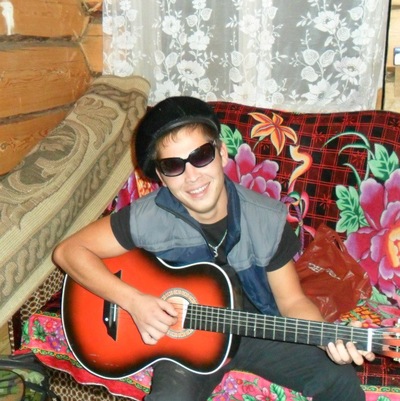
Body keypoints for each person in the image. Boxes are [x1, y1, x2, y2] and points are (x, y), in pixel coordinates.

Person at [53, 96, 375, 401]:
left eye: (201, 156)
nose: (192, 177)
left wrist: (325, 337)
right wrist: (133, 301)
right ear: (162, 177)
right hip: (184, 339)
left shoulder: (266, 219)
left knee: (341, 380)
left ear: (221, 153)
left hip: (252, 327)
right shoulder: (148, 216)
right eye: (173, 166)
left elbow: (292, 301)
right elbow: (68, 252)